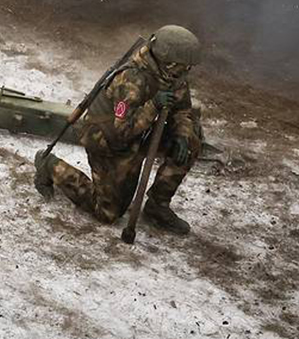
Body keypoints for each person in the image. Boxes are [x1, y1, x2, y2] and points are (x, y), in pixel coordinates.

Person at [34, 25, 205, 234]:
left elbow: (182, 110)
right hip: (108, 141)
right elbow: (122, 131)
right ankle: (50, 165)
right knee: (108, 213)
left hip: (140, 135)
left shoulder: (171, 76)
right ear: (169, 62)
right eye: (184, 66)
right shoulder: (132, 80)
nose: (187, 71)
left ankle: (157, 207)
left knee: (192, 139)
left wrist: (182, 134)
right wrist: (153, 106)